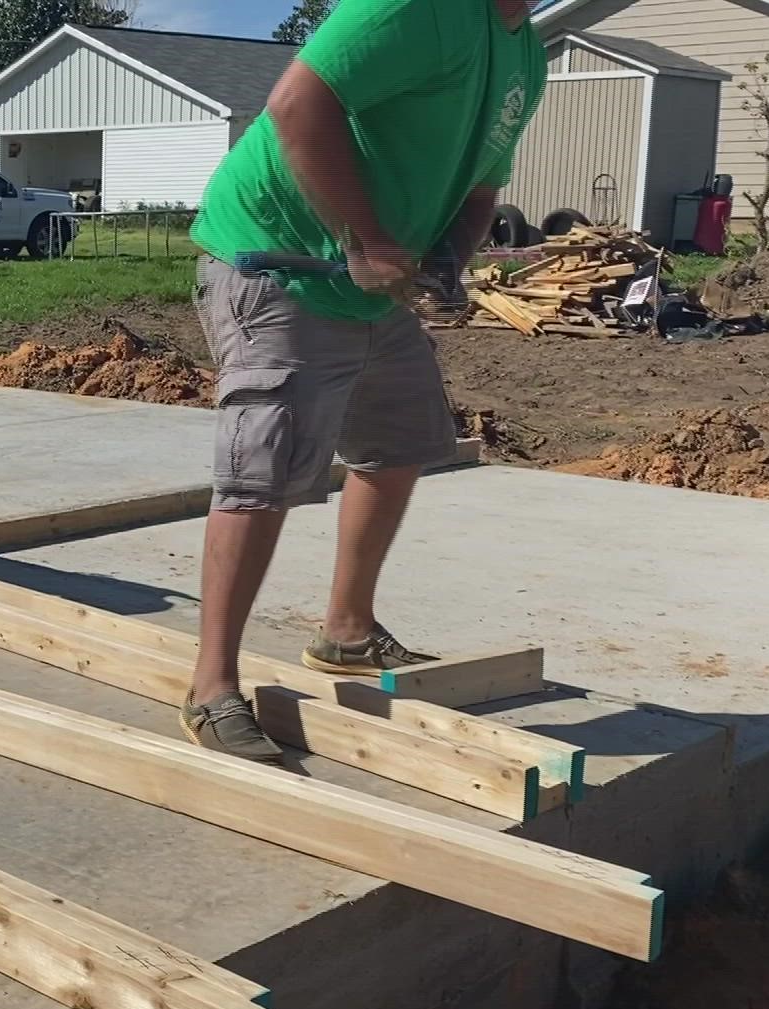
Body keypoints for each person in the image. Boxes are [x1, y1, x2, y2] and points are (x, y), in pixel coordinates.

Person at [179, 0, 546, 762]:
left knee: (402, 440)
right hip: (277, 259)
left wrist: (448, 254)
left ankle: (346, 631)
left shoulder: (525, 54)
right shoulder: (417, 8)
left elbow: (480, 186)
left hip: (375, 278)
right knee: (264, 472)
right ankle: (211, 687)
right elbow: (295, 103)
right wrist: (366, 237)